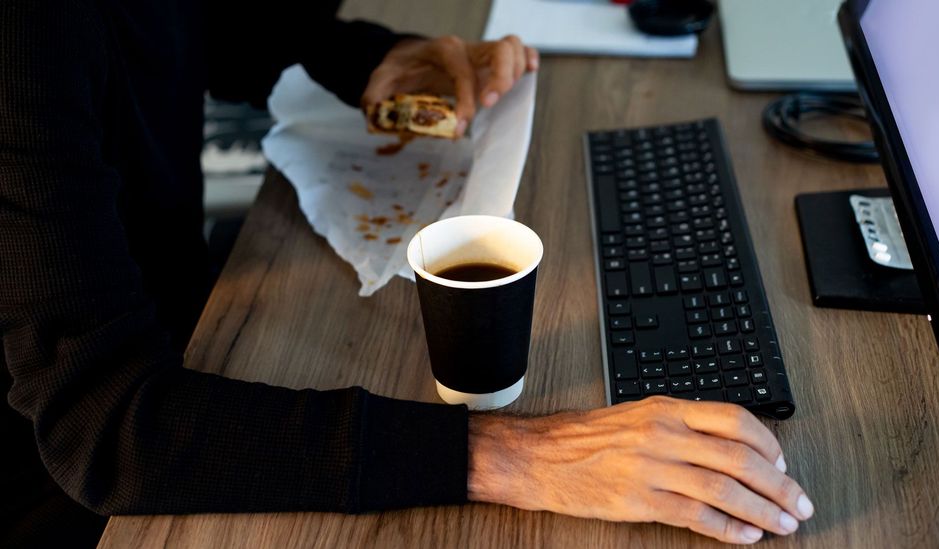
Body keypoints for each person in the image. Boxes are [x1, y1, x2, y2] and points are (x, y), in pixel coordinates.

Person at [0, 1, 813, 547]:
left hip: (178, 322)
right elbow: (100, 423)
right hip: (73, 459)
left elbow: (217, 26)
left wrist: (376, 59)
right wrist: (517, 455)